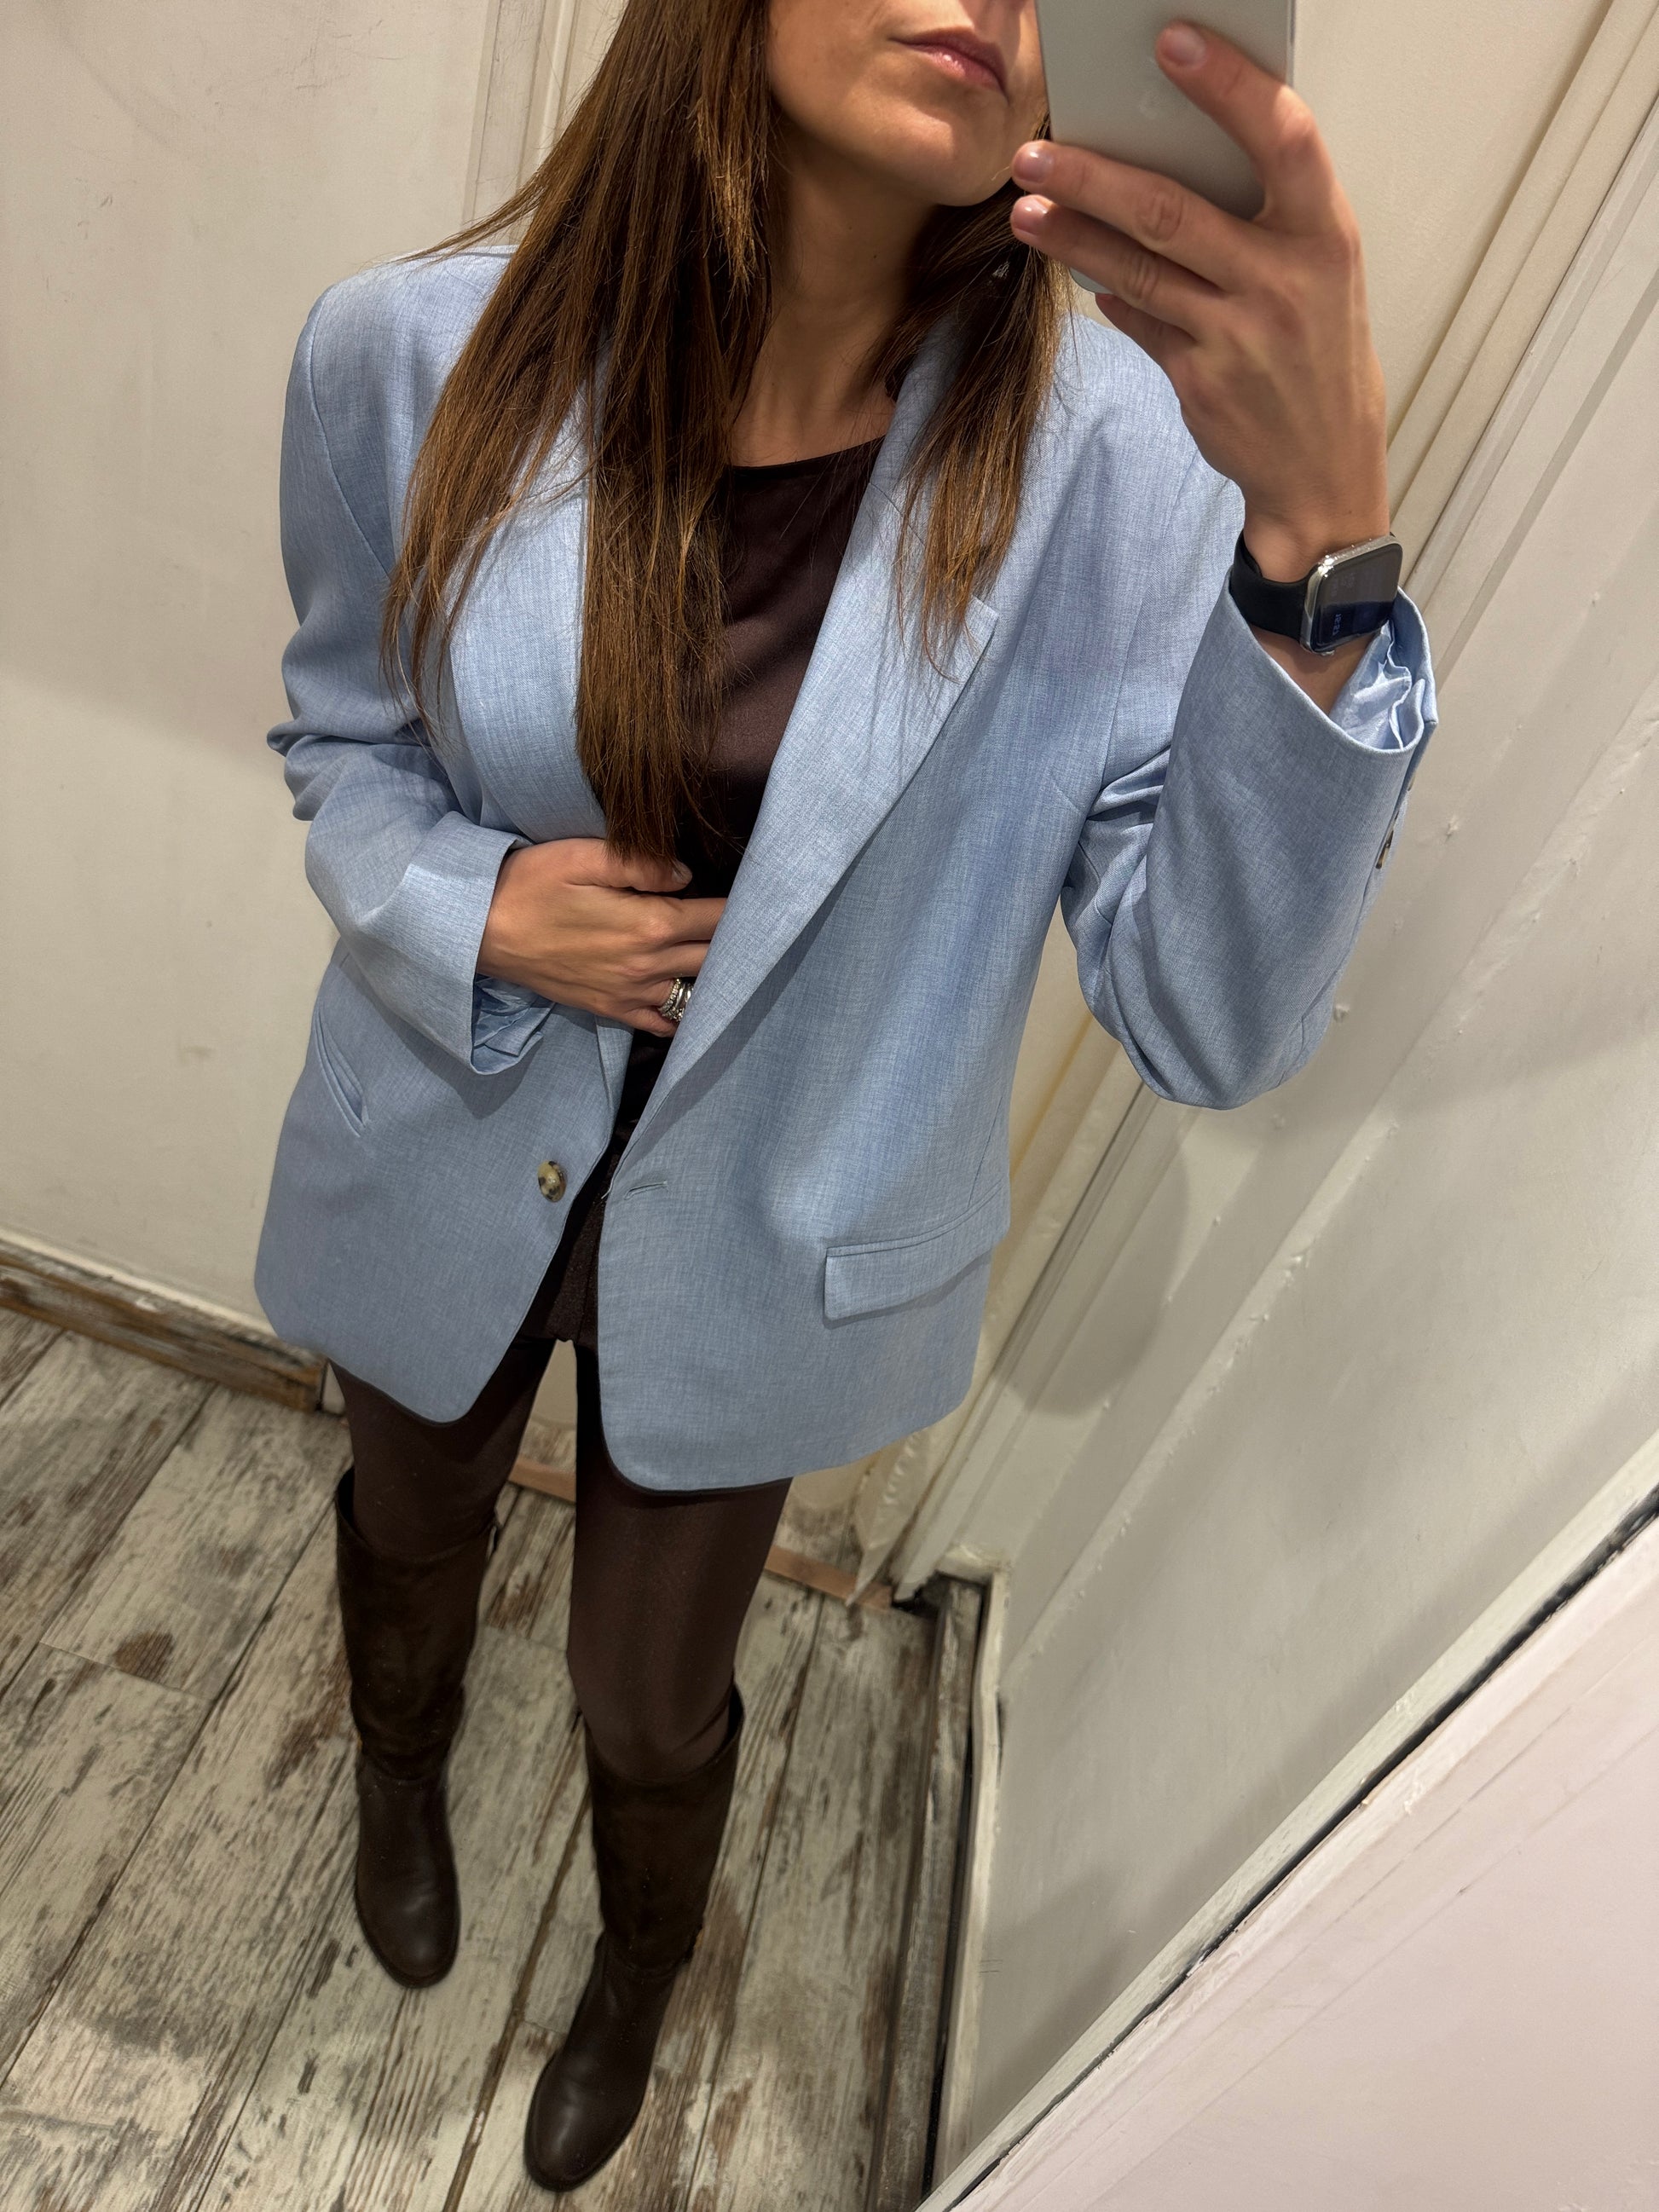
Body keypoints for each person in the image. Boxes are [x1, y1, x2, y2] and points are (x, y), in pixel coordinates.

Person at [255, 0, 1436, 2191]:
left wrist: (1316, 547)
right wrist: (473, 909)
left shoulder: (1124, 464)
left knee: (648, 1690)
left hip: (780, 1234)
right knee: (405, 1520)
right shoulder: (406, 355)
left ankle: (635, 1964)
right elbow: (343, 739)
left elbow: (1204, 1019)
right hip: (446, 1128)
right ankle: (395, 1772)